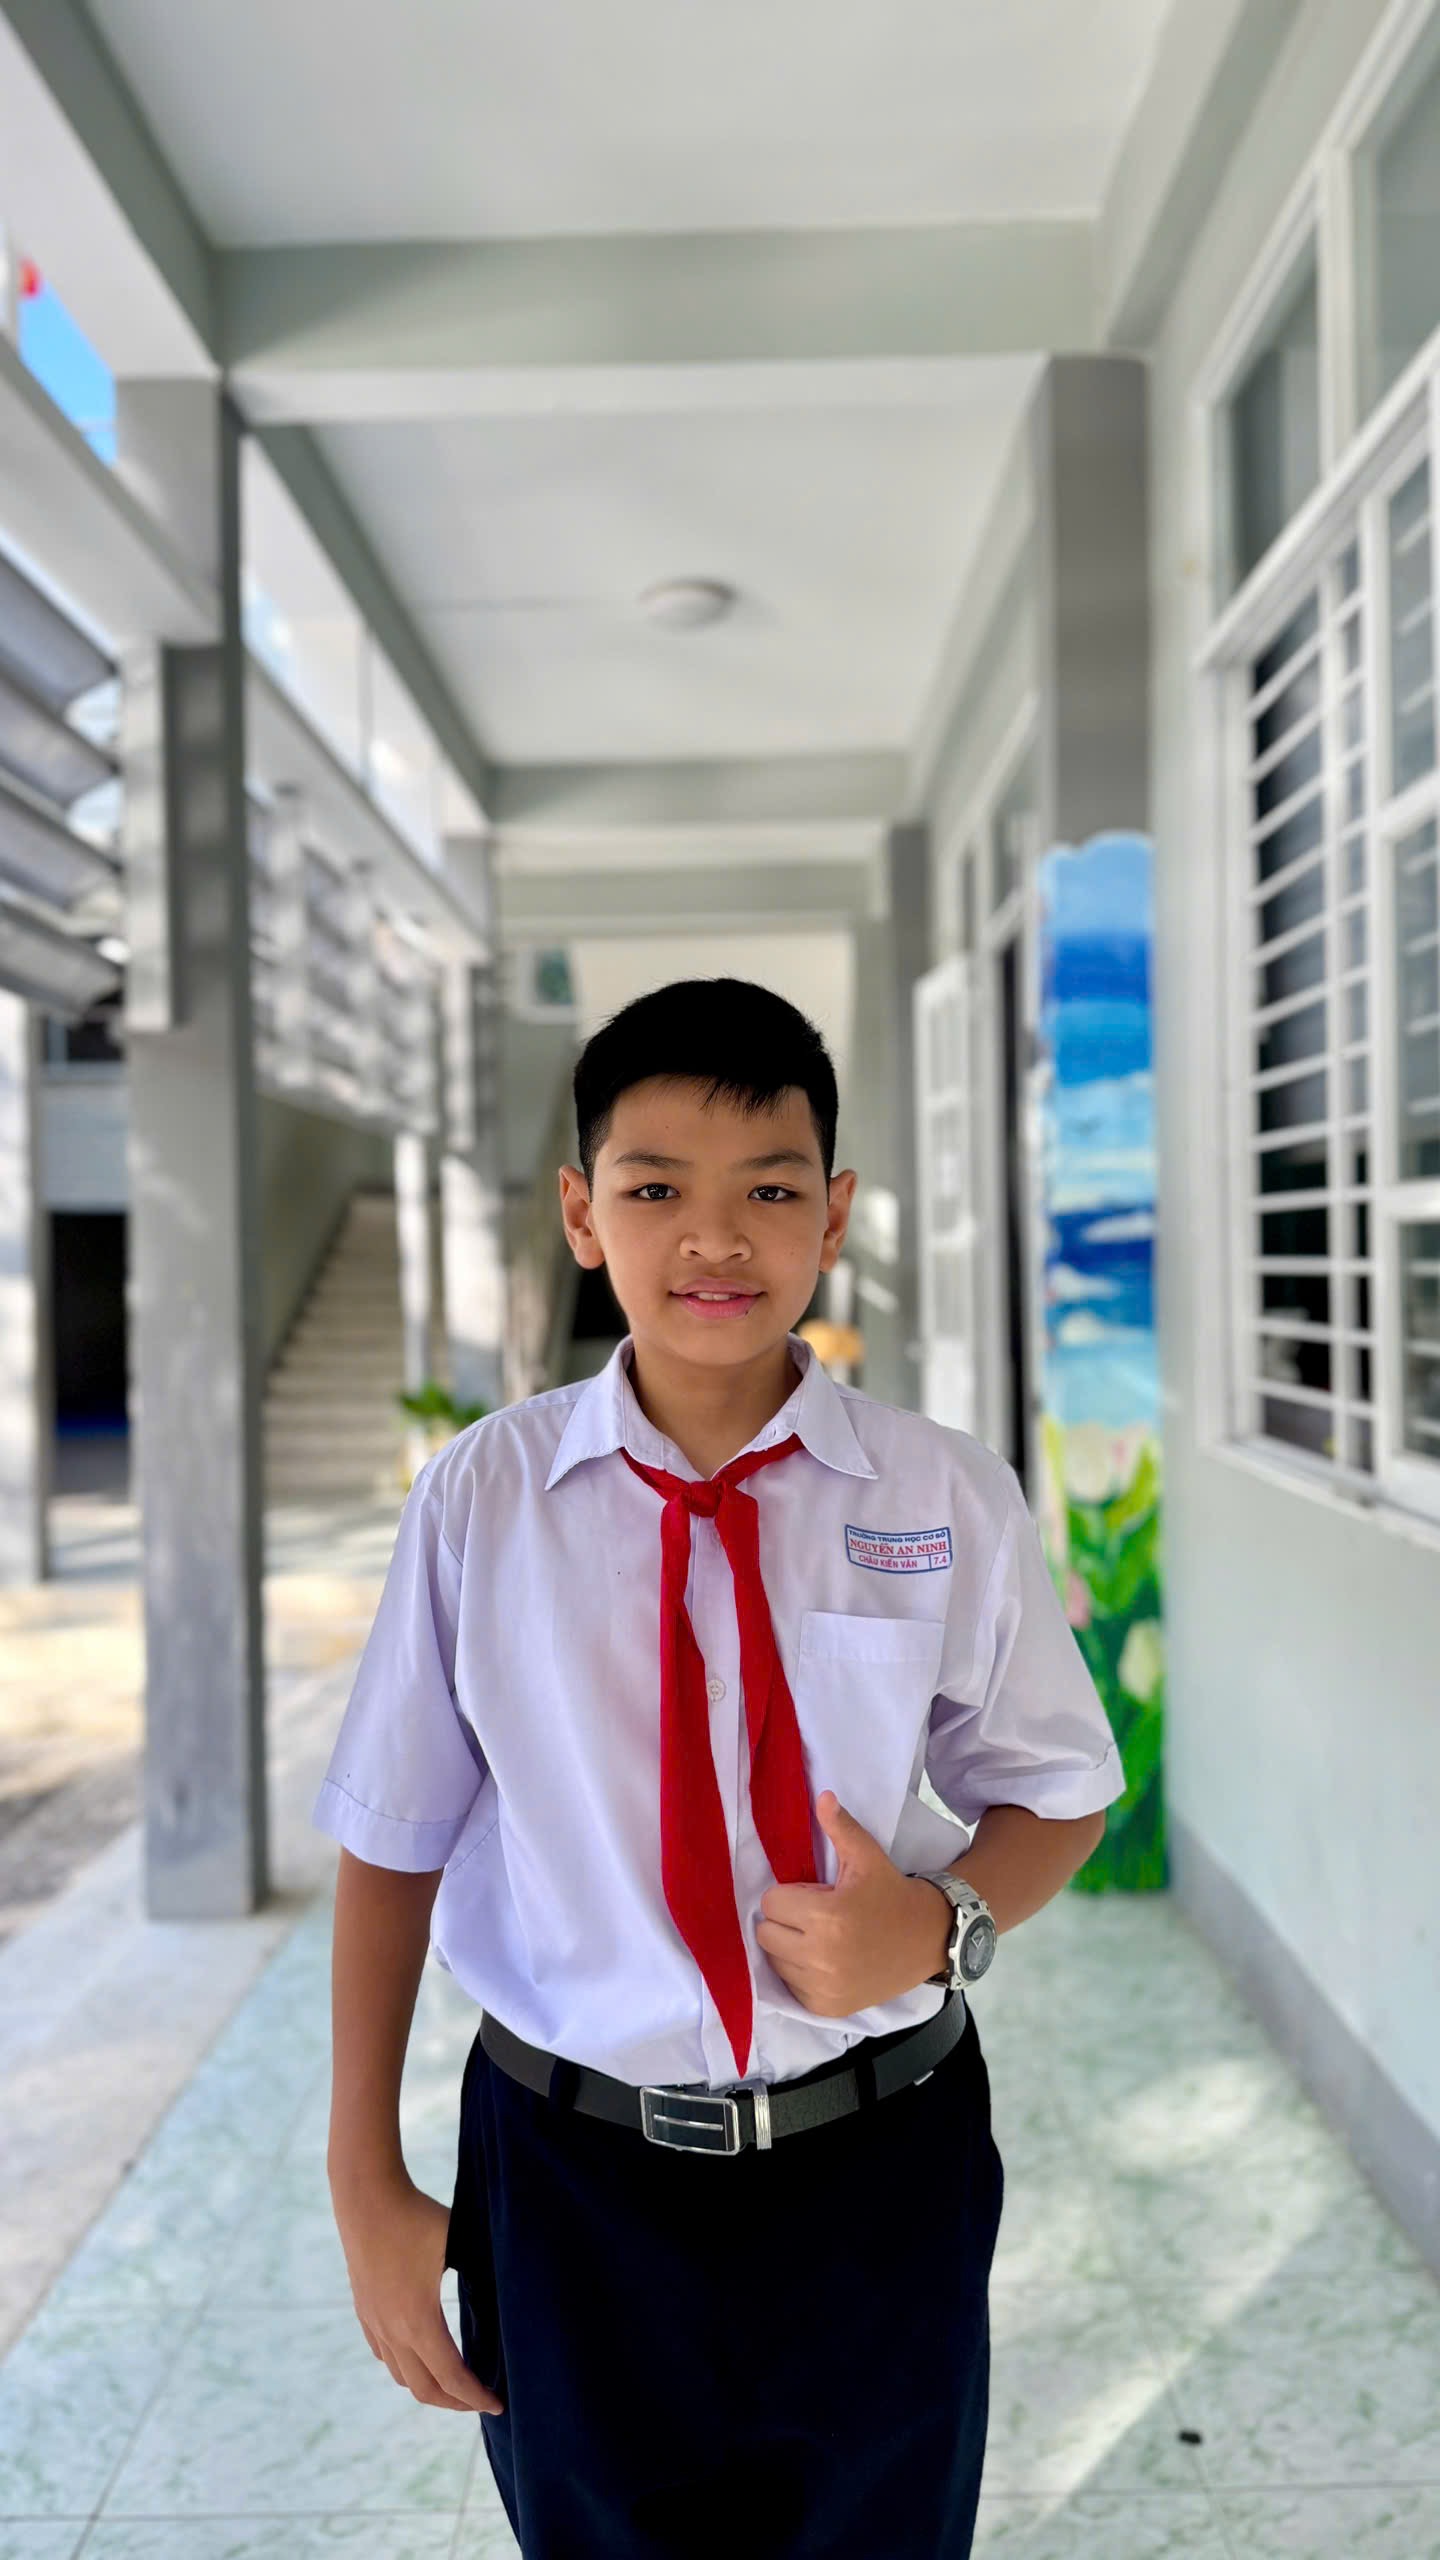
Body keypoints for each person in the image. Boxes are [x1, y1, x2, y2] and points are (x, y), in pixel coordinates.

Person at [315, 976, 1125, 2559]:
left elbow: (1060, 1790)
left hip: (879, 2160)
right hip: (568, 2176)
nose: (714, 1239)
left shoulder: (940, 1494)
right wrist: (365, 2179)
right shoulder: (483, 1502)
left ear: (836, 1214)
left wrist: (942, 1923)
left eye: (768, 1190)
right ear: (581, 1212)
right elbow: (392, 1838)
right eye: (654, 1191)